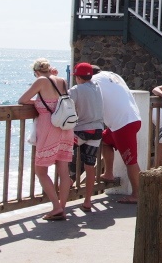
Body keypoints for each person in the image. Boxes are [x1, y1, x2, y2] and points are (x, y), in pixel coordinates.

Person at [18, 58, 74, 221]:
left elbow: (22, 100)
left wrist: (37, 102)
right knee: (63, 170)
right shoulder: (62, 80)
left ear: (36, 72)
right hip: (65, 127)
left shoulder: (41, 81)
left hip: (49, 127)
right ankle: (62, 207)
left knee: (41, 170)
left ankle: (56, 207)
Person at [92, 67, 143, 203]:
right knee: (105, 140)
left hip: (122, 125)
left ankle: (137, 195)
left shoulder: (93, 81)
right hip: (132, 118)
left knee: (130, 161)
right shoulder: (113, 76)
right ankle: (109, 173)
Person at [67, 62, 104, 211]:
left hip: (81, 130)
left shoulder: (76, 90)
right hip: (97, 131)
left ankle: (65, 186)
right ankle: (88, 201)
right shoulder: (97, 88)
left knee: (62, 156)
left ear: (78, 77)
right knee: (90, 166)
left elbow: (64, 104)